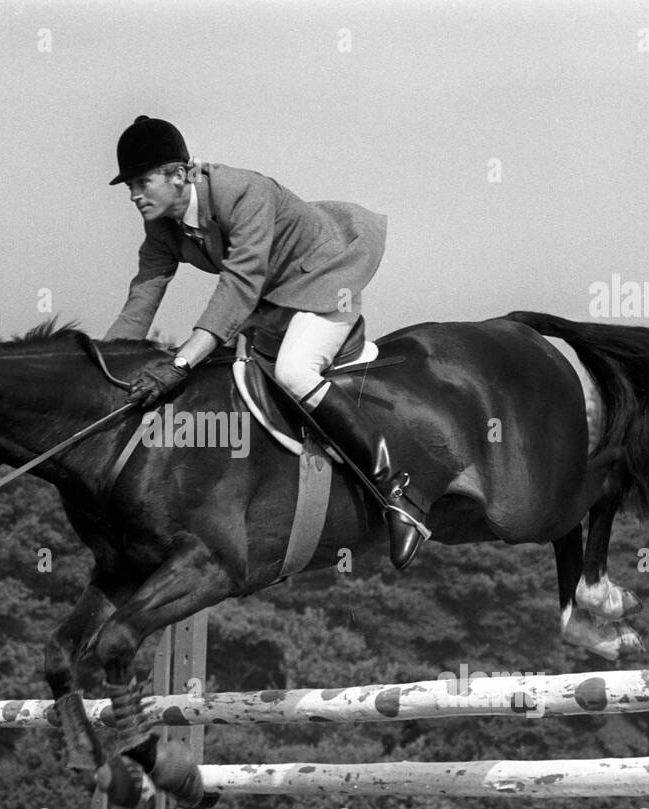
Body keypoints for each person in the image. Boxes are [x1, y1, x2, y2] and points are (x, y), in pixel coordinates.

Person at [104, 115, 422, 569]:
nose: (134, 195)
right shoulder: (162, 225)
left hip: (327, 274)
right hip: (274, 298)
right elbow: (144, 292)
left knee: (294, 371)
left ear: (180, 174)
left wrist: (179, 362)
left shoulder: (242, 192)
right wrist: (103, 368)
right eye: (129, 185)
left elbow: (239, 285)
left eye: (142, 181)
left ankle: (396, 490)